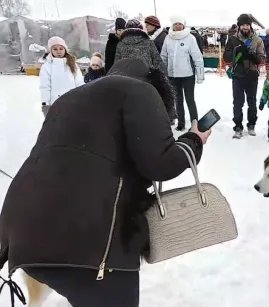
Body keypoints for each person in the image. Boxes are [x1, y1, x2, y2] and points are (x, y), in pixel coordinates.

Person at [0, 58, 212, 307]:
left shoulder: (68, 99)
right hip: (88, 241)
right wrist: (193, 141)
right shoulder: (141, 91)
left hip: (24, 232)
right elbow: (159, 163)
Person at [115, 19, 176, 123]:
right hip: (147, 81)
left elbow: (117, 66)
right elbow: (158, 62)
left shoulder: (120, 45)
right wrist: (164, 78)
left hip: (127, 83)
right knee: (149, 108)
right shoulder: (148, 43)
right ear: (141, 30)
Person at [223, 13, 266, 138]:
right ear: (239, 26)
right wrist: (237, 53)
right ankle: (238, 126)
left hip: (252, 75)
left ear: (250, 26)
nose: (246, 27)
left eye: (247, 25)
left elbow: (263, 59)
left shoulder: (257, 40)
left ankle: (251, 125)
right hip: (237, 75)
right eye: (243, 25)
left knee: (252, 102)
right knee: (238, 102)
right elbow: (226, 57)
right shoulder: (232, 39)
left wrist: (253, 56)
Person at [161, 15, 205, 131]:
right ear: (173, 26)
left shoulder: (190, 38)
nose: (178, 26)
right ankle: (181, 123)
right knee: (178, 100)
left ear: (183, 25)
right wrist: (162, 73)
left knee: (190, 100)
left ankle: (195, 124)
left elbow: (197, 57)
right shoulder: (168, 38)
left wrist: (200, 75)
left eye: (180, 24)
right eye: (175, 24)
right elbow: (163, 57)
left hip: (188, 75)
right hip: (173, 76)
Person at [39, 36, 84, 117]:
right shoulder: (46, 67)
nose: (58, 51)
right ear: (50, 50)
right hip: (55, 103)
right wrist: (45, 104)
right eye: (55, 49)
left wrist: (82, 99)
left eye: (61, 48)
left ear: (65, 49)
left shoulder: (72, 64)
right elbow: (45, 87)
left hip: (72, 101)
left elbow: (79, 82)